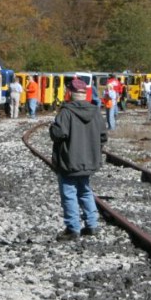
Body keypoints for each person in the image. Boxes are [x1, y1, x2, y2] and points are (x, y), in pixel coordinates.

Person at [50, 78, 107, 240]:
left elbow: (58, 134)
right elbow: (103, 136)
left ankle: (73, 228)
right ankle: (92, 225)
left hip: (69, 161)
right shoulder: (95, 111)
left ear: (70, 93)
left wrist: (52, 128)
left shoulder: (66, 112)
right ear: (85, 94)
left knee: (69, 193)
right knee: (85, 191)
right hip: (89, 160)